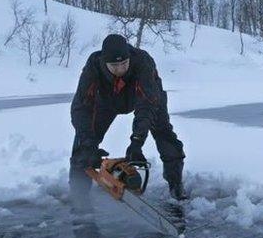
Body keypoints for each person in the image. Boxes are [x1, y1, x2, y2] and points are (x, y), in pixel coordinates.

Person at [70, 33, 187, 200]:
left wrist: (137, 142)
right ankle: (78, 195)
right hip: (107, 101)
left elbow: (146, 105)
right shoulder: (93, 65)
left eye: (124, 64)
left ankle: (176, 187)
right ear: (104, 62)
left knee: (165, 136)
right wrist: (88, 143)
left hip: (149, 98)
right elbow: (81, 107)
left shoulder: (142, 61)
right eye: (114, 66)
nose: (120, 69)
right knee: (82, 148)